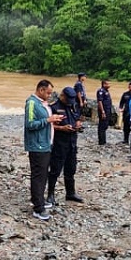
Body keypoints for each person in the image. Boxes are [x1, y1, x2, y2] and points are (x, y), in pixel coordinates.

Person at [24, 80, 64, 221]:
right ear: (40, 90)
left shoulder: (42, 103)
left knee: (43, 174)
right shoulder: (32, 103)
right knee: (38, 176)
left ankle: (39, 199)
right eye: (48, 93)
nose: (49, 95)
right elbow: (29, 124)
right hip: (37, 146)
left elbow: (45, 120)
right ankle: (38, 208)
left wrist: (53, 120)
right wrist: (48, 120)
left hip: (45, 144)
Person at [48, 87, 85, 206]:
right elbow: (48, 126)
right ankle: (50, 194)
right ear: (62, 95)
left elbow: (78, 117)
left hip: (72, 143)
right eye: (68, 99)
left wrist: (78, 124)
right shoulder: (53, 107)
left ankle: (70, 193)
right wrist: (61, 128)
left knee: (71, 169)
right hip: (59, 143)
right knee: (55, 170)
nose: (70, 101)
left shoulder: (74, 105)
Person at [96, 78, 115, 146]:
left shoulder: (106, 91)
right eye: (107, 84)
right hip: (103, 111)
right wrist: (103, 112)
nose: (109, 85)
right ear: (103, 84)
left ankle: (104, 141)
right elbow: (100, 102)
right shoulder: (101, 91)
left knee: (105, 125)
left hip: (107, 110)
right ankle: (101, 142)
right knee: (102, 126)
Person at [119, 81, 131, 145]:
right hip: (126, 113)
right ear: (128, 87)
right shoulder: (125, 94)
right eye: (130, 87)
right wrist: (121, 108)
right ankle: (126, 140)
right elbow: (121, 102)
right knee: (126, 127)